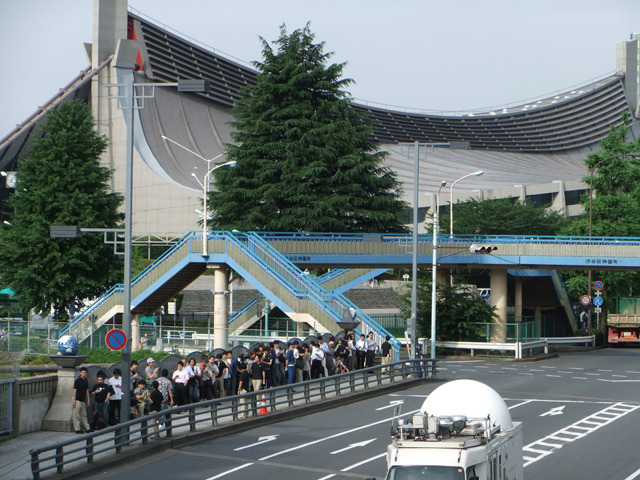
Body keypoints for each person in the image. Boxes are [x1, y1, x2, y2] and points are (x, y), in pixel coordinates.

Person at [72, 366, 91, 434]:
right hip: (77, 399)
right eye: (83, 372)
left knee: (84, 414)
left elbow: (87, 391)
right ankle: (77, 429)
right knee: (76, 414)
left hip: (83, 399)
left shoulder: (86, 380)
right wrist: (74, 400)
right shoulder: (77, 380)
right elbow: (74, 390)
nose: (84, 374)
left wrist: (88, 400)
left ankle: (87, 428)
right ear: (80, 373)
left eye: (85, 372)